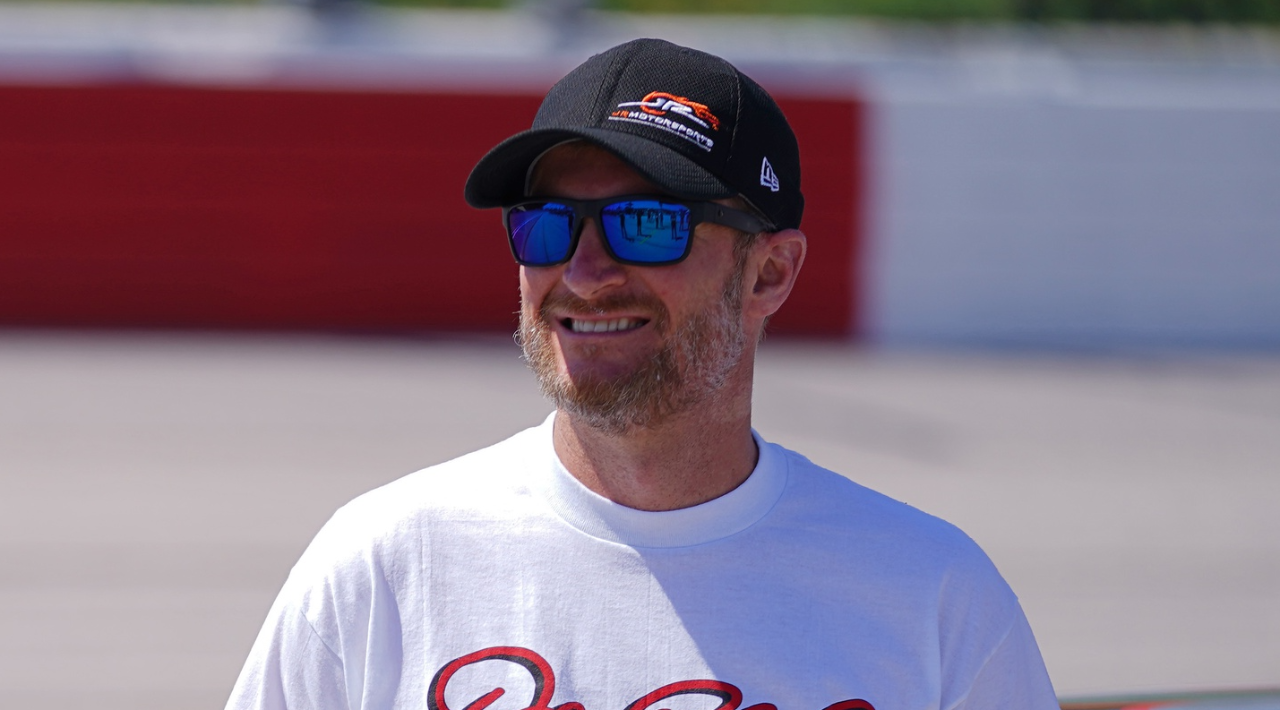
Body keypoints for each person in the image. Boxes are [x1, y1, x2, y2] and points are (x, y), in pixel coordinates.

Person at [226, 38, 1058, 710]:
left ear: (769, 274)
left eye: (645, 225)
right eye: (547, 225)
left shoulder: (933, 597)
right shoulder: (383, 565)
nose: (584, 275)